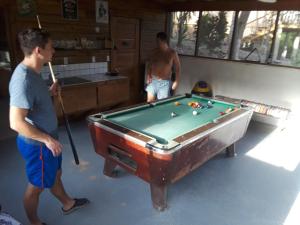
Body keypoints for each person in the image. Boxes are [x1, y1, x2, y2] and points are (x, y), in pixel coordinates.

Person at [9, 28, 89, 225]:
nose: (53, 51)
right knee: (36, 186)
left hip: (49, 140)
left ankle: (68, 203)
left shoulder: (35, 73)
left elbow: (36, 104)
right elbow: (16, 122)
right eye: (51, 47)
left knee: (56, 174)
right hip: (39, 146)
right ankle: (35, 222)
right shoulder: (23, 79)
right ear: (38, 50)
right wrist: (46, 139)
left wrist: (50, 93)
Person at [145, 31, 181, 103]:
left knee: (162, 104)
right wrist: (148, 75)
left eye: (158, 41)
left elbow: (178, 68)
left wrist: (176, 82)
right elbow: (149, 65)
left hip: (165, 82)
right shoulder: (154, 52)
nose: (157, 43)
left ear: (163, 41)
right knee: (149, 102)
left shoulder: (172, 53)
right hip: (153, 81)